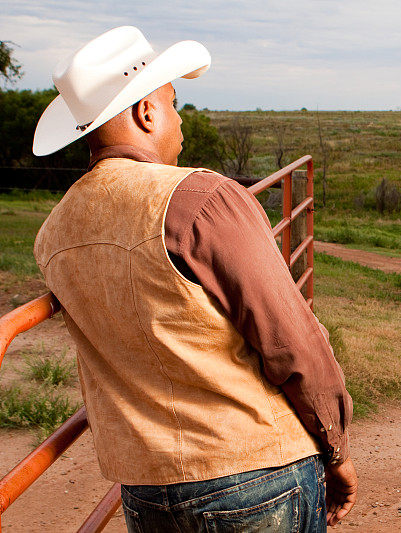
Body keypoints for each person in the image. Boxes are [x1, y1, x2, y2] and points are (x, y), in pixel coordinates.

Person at [31, 26, 356, 531]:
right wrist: (334, 448)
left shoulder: (54, 233)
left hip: (147, 487)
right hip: (254, 475)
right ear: (146, 112)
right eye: (175, 102)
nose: (179, 119)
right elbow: (292, 340)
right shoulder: (199, 198)